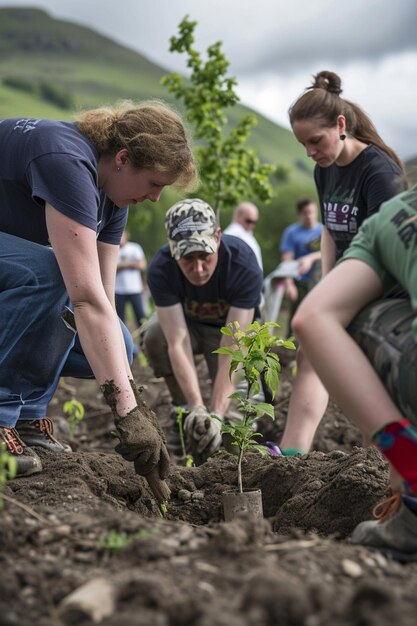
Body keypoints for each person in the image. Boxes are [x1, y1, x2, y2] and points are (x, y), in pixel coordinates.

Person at [0, 100, 197, 478]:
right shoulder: (67, 161)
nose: (156, 197)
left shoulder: (112, 197)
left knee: (119, 346)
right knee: (53, 273)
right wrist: (128, 414)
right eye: (155, 183)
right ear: (123, 158)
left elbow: (102, 302)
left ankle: (27, 417)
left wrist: (129, 396)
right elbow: (86, 297)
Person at [279, 69, 405, 456]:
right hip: (348, 277)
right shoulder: (325, 170)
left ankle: (374, 464)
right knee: (310, 350)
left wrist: (342, 301)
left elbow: (390, 250)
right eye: (303, 145)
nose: (310, 153)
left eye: (315, 141)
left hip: (385, 284)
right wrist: (327, 284)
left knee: (367, 360)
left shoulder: (378, 171)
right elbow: (330, 230)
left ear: (340, 125)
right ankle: (291, 456)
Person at [292, 184, 417, 560]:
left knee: (349, 319)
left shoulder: (392, 217)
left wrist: (407, 465)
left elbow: (311, 319)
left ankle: (412, 487)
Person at [143, 198, 263, 463]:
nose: (198, 269)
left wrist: (217, 413)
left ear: (218, 237)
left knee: (233, 432)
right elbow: (177, 341)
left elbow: (234, 346)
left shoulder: (242, 263)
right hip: (191, 328)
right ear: (172, 248)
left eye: (205, 256)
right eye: (187, 258)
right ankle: (183, 410)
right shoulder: (161, 268)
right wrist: (197, 405)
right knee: (155, 336)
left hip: (231, 335)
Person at [279, 197, 322, 335]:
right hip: (299, 282)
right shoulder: (291, 233)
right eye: (305, 212)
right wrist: (289, 284)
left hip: (319, 282)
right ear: (299, 214)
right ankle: (288, 348)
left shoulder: (323, 230)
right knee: (295, 318)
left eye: (312, 212)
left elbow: (329, 252)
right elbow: (287, 261)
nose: (309, 216)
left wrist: (311, 258)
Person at [115, 229, 148, 328]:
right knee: (119, 319)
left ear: (126, 236)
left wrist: (123, 265)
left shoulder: (135, 248)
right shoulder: (113, 248)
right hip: (118, 290)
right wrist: (131, 264)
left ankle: (144, 340)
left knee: (140, 316)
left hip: (135, 288)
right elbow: (110, 268)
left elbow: (142, 265)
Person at [223, 201, 263, 270]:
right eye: (248, 221)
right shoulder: (233, 234)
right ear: (237, 216)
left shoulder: (247, 235)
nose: (251, 225)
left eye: (254, 222)